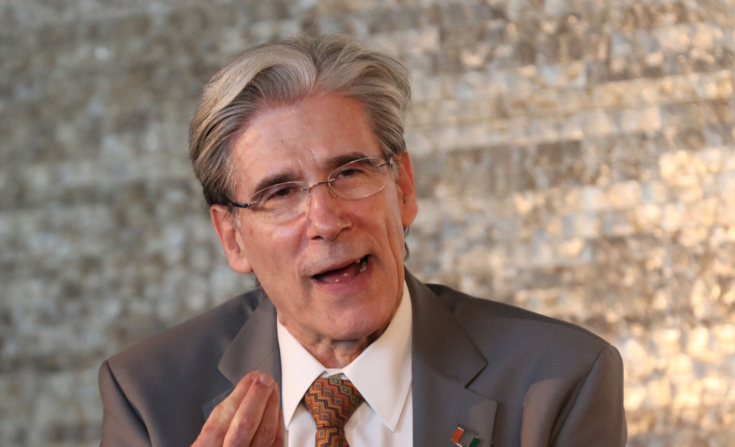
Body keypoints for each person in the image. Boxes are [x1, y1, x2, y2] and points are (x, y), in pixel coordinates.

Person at [98, 34, 627, 447]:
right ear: (232, 237)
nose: (326, 219)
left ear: (403, 187)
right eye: (280, 192)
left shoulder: (560, 380)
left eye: (349, 172)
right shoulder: (150, 399)